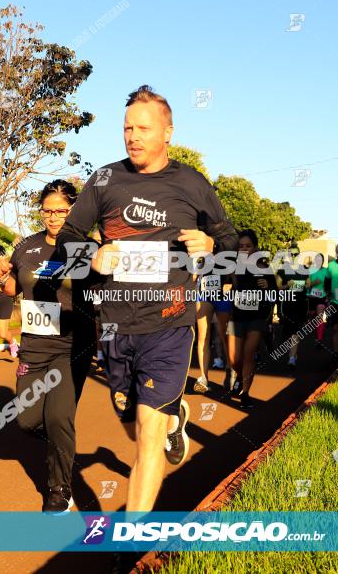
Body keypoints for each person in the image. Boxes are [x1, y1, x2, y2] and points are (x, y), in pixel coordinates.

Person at [55, 85, 238, 514]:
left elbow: (231, 242)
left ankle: (132, 541)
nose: (132, 136)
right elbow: (66, 237)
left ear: (168, 132)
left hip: (170, 324)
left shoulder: (191, 183)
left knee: (147, 434)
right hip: (115, 326)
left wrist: (211, 245)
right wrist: (92, 254)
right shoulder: (104, 179)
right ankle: (176, 421)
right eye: (127, 128)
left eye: (143, 128)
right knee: (132, 425)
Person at [0, 179, 97, 513]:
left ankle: (58, 488)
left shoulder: (84, 248)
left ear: (74, 211)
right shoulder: (26, 246)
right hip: (34, 345)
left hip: (72, 345)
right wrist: (0, 275)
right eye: (47, 211)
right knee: (26, 420)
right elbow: (13, 288)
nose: (53, 217)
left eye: (61, 211)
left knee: (59, 417)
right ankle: (57, 444)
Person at [226, 230, 276, 408]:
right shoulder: (232, 265)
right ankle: (239, 375)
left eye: (248, 246)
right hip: (236, 316)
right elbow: (225, 283)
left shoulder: (263, 267)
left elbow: (274, 294)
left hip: (256, 316)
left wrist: (267, 286)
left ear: (255, 247)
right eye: (241, 246)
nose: (244, 249)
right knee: (234, 359)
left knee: (248, 355)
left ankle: (245, 393)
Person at [192, 270, 229, 393]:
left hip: (223, 293)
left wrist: (232, 284)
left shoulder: (226, 251)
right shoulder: (201, 251)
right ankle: (204, 378)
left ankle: (230, 371)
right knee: (203, 336)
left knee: (225, 336)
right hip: (204, 293)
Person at [275, 242, 308, 368]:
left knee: (295, 333)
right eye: (291, 254)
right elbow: (277, 287)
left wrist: (310, 284)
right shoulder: (283, 270)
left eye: (296, 254)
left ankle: (292, 358)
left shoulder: (304, 269)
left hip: (300, 306)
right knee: (288, 333)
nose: (293, 256)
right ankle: (293, 354)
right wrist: (286, 286)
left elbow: (308, 284)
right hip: (287, 306)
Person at [305, 253, 328, 347]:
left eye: (320, 260)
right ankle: (310, 323)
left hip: (321, 297)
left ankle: (319, 339)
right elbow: (306, 285)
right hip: (311, 297)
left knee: (319, 317)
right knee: (311, 315)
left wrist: (328, 294)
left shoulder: (326, 271)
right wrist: (313, 283)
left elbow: (329, 283)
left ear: (323, 261)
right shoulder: (311, 271)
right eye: (317, 260)